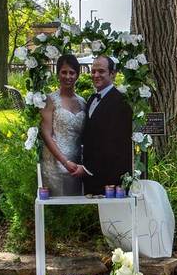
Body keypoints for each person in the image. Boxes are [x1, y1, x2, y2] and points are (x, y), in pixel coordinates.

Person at [80, 55, 132, 195]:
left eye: (101, 71)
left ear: (113, 74)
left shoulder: (121, 102)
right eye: (93, 71)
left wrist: (88, 169)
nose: (96, 75)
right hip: (91, 179)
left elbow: (116, 145)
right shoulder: (91, 99)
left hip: (110, 180)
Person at [39, 53, 87, 195]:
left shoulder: (82, 102)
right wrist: (64, 162)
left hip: (77, 166)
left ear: (77, 75)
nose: (68, 76)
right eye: (64, 72)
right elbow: (46, 134)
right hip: (55, 164)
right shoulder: (50, 100)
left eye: (72, 73)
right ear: (58, 74)